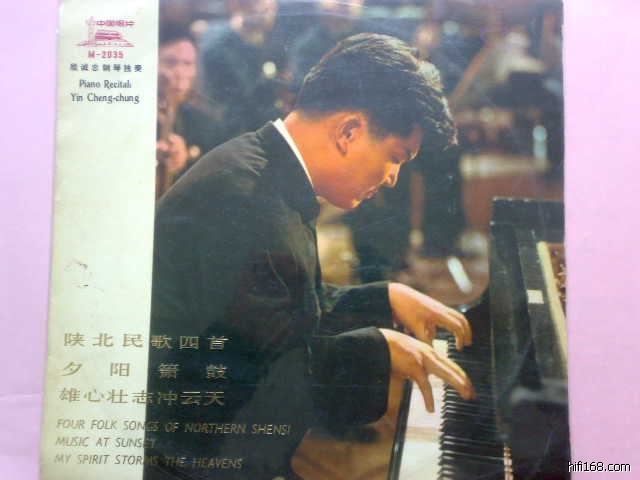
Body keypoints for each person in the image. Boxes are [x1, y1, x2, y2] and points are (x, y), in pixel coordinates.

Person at [144, 33, 474, 480]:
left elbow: (274, 312)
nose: (393, 178)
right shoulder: (245, 198)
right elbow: (251, 380)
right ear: (349, 131)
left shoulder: (264, 169)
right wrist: (378, 350)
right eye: (396, 157)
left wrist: (384, 298)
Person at [198, 0, 284, 140]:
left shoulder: (273, 41)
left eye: (272, 9)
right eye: (262, 8)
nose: (269, 15)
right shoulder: (219, 44)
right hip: (231, 130)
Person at [156, 26, 223, 198]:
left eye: (187, 64)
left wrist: (185, 160)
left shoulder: (204, 122)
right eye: (170, 62)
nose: (179, 73)